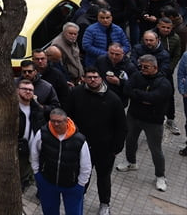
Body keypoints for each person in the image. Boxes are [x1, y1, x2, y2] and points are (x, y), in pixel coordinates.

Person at [63, 68, 126, 215]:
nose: (92, 80)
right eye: (89, 77)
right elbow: (67, 116)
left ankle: (104, 203)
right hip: (81, 146)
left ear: (101, 79)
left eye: (95, 77)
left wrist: (116, 148)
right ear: (84, 78)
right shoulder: (76, 93)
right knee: (81, 175)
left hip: (105, 148)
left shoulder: (113, 99)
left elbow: (121, 126)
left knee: (103, 177)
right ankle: (79, 198)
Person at [116, 53, 172, 192]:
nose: (143, 69)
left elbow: (154, 98)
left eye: (146, 67)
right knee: (130, 141)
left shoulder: (164, 83)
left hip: (153, 121)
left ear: (155, 67)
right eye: (141, 66)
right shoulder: (137, 75)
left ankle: (160, 176)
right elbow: (127, 90)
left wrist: (137, 94)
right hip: (134, 116)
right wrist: (144, 98)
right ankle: (131, 162)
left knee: (155, 149)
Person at [30, 108, 91, 215]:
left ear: (66, 121)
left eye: (59, 121)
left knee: (74, 212)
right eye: (53, 121)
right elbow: (34, 154)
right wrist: (37, 174)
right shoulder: (42, 134)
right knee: (49, 211)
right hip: (48, 182)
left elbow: (86, 165)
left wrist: (80, 185)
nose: (56, 124)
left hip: (72, 185)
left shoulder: (79, 140)